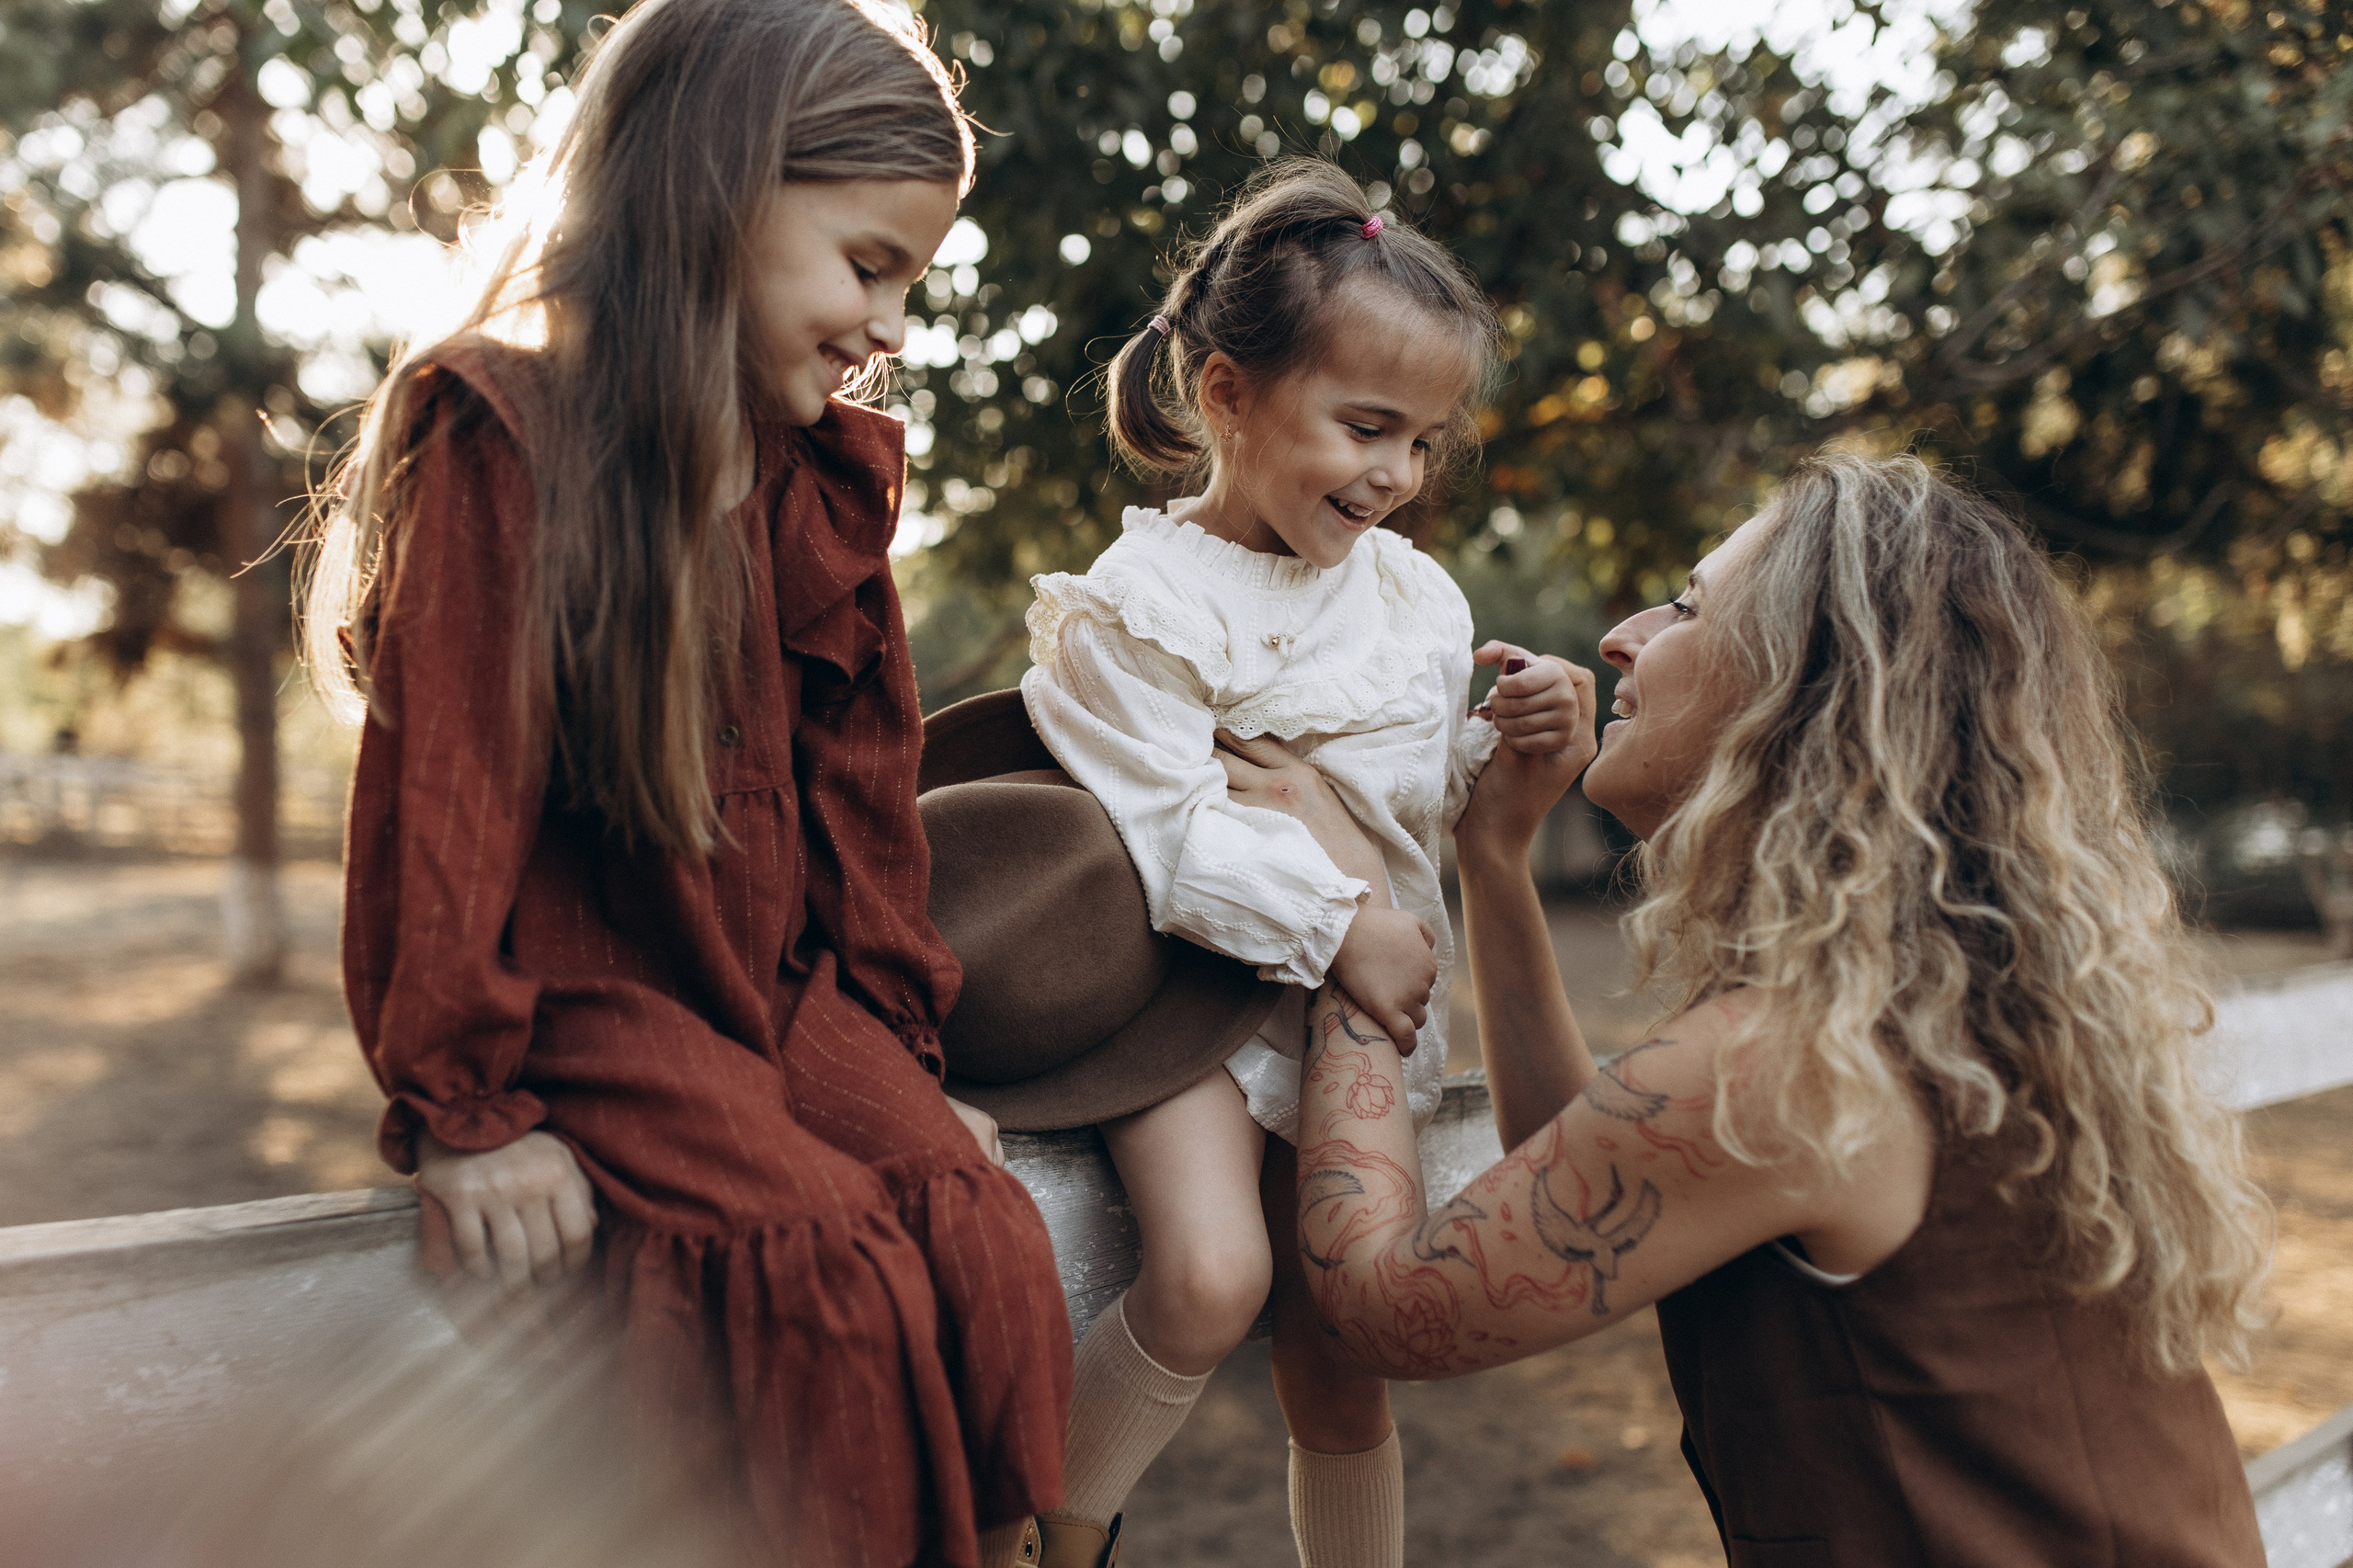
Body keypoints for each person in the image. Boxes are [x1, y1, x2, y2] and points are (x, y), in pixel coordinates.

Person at [301, 3, 1069, 1563]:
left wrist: (898, 1067)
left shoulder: (817, 479)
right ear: (718, 188)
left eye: (913, 282)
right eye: (870, 267)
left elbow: (862, 805)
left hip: (780, 994)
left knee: (979, 1232)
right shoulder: (508, 435)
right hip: (591, 993)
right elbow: (444, 802)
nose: (892, 329)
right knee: (827, 1267)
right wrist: (465, 1109)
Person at [1282, 452, 2271, 1564]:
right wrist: (1494, 861)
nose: (1622, 636)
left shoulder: (1792, 1059)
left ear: (1806, 686)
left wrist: (1338, 911)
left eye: (1689, 604)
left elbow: (1378, 1304)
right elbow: (1583, 1172)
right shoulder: (1933, 1006)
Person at [1011, 160, 1584, 1568]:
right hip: (1190, 1004)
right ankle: (1047, 1534)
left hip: (1359, 1012)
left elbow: (1409, 798)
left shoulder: (1416, 598)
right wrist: (1346, 923)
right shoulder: (1138, 606)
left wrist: (1506, 749)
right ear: (1226, 394)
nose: (1396, 473)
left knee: (1342, 1347)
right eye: (1366, 426)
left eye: (1425, 441)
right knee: (1211, 1278)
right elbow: (1170, 832)